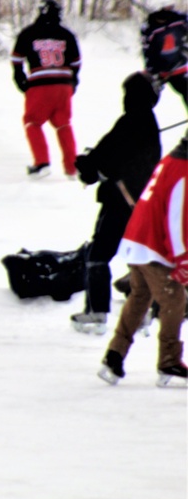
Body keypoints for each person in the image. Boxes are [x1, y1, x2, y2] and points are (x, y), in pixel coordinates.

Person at [71, 72, 161, 334]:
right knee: (140, 257)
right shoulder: (148, 121)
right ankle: (142, 313)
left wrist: (86, 165)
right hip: (142, 202)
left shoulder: (130, 121)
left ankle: (96, 313)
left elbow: (105, 159)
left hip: (120, 200)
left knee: (98, 255)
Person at [98, 133, 188, 387]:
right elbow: (177, 218)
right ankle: (169, 361)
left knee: (140, 297)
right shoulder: (184, 168)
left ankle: (114, 356)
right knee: (174, 298)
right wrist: (182, 259)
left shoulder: (173, 159)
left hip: (139, 238)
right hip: (153, 244)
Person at [10, 0, 82, 179]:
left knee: (32, 122)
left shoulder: (28, 33)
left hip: (39, 84)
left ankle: (42, 163)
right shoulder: (67, 34)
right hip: (63, 84)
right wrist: (73, 82)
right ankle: (72, 167)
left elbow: (17, 59)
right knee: (63, 124)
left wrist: (20, 79)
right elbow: (76, 62)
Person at [140, 0, 187, 109]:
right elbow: (147, 51)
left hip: (179, 67)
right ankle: (142, 124)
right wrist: (153, 71)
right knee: (142, 97)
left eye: (171, 7)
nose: (171, 10)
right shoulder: (149, 28)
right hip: (159, 70)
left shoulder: (180, 20)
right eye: (167, 7)